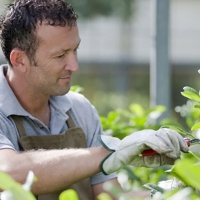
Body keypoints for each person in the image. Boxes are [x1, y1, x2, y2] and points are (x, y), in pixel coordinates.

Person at [0, 0, 189, 200]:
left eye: (75, 50)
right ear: (20, 60)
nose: (74, 65)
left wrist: (171, 193)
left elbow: (109, 197)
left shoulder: (80, 110)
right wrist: (111, 154)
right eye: (60, 55)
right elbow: (7, 173)